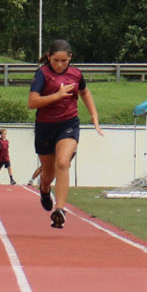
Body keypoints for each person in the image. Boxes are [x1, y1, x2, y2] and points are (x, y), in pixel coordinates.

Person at [28, 39, 102, 229]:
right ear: (48, 58)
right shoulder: (42, 74)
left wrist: (94, 115)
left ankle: (59, 210)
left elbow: (85, 93)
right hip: (45, 127)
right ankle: (44, 189)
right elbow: (32, 102)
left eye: (63, 61)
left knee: (63, 162)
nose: (59, 65)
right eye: (55, 61)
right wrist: (57, 96)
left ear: (70, 58)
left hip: (68, 124)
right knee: (48, 172)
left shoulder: (76, 74)